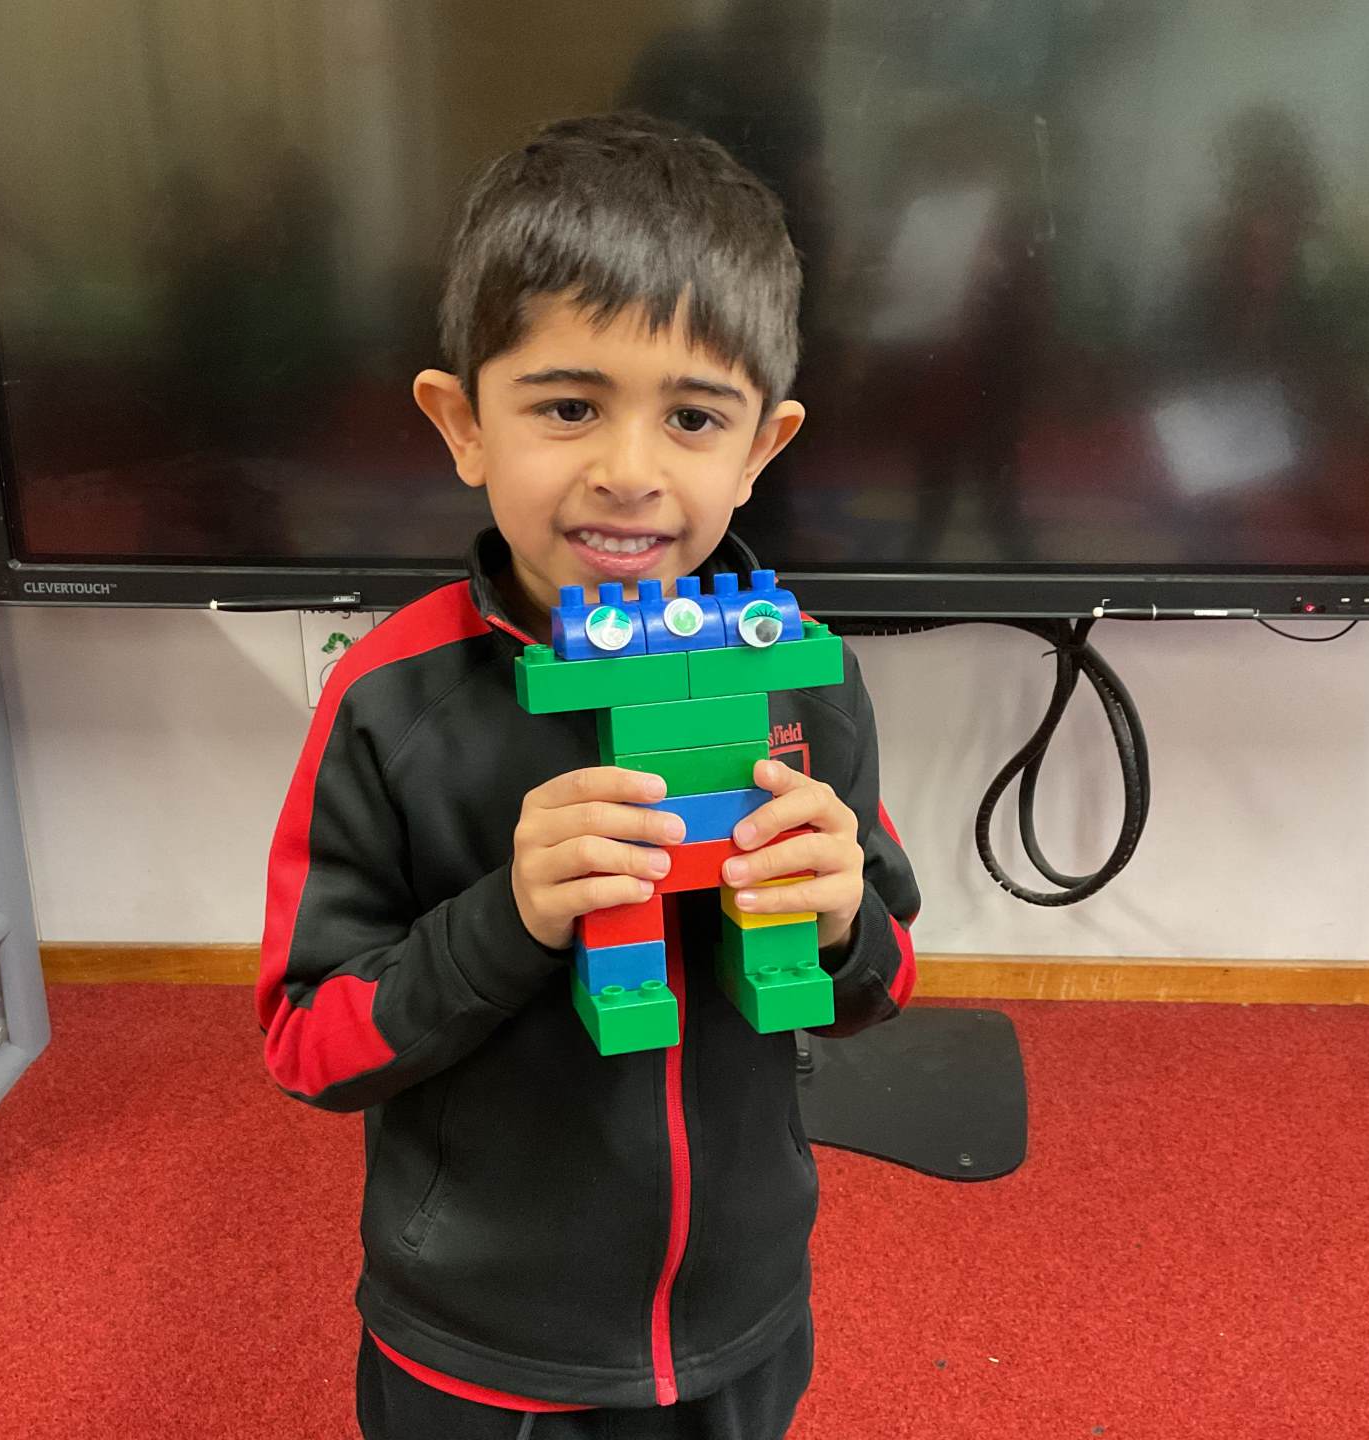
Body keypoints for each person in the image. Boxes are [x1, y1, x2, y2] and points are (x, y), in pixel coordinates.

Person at [257, 112, 922, 1440]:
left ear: (762, 448)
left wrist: (841, 917)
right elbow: (307, 1045)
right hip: (483, 1338)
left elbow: (885, 977)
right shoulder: (389, 700)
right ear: (464, 424)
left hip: (739, 1310)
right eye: (568, 407)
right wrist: (507, 919)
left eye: (694, 417)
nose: (629, 472)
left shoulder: (807, 677)